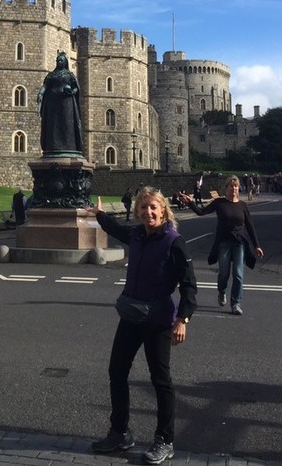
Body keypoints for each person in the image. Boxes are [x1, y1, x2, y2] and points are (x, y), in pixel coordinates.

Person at [88, 188, 197, 463]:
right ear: (138, 212)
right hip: (132, 314)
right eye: (143, 208)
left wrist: (182, 319)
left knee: (160, 381)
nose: (148, 212)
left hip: (159, 320)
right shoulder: (136, 235)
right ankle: (120, 432)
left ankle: (165, 439)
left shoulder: (175, 242)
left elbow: (189, 285)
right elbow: (116, 229)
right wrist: (100, 214)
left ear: (163, 210)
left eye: (153, 208)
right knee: (117, 371)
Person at [180, 175, 264, 315]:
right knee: (224, 273)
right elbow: (202, 212)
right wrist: (190, 203)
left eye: (236, 186)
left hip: (239, 242)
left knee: (238, 274)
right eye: (231, 186)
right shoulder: (219, 203)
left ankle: (236, 303)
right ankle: (222, 291)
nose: (234, 188)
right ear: (226, 188)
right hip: (224, 242)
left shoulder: (242, 206)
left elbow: (250, 226)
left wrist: (257, 245)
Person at [36, 51, 83, 157]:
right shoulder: (51, 75)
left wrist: (71, 91)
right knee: (53, 125)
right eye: (58, 60)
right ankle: (53, 147)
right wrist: (40, 93)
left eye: (61, 60)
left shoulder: (69, 75)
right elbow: (45, 86)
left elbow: (76, 88)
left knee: (67, 124)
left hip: (66, 103)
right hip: (53, 103)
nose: (59, 62)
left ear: (65, 62)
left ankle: (68, 147)